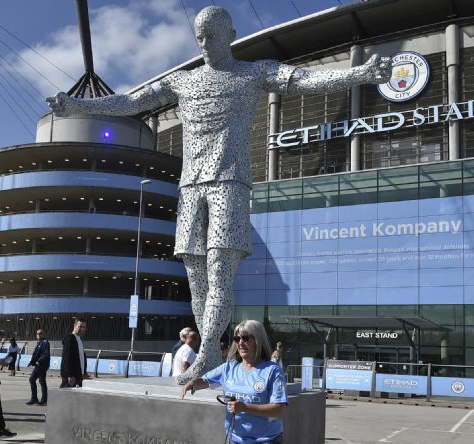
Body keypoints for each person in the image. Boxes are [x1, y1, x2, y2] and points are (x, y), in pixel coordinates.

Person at [48, 6, 392, 386]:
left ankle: (210, 346)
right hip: (191, 186)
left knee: (219, 269)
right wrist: (79, 105)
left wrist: (358, 74)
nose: (205, 43)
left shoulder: (253, 72)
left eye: (211, 34)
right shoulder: (183, 81)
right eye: (199, 36)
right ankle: (209, 348)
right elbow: (132, 101)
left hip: (229, 182)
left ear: (229, 34)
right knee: (196, 273)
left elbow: (303, 80)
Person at [60, 319, 89, 388]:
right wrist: (70, 375)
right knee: (65, 397)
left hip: (78, 376)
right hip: (72, 377)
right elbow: (66, 358)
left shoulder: (79, 339)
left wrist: (84, 372)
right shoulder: (70, 338)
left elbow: (81, 357)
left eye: (84, 327)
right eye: (80, 326)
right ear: (74, 326)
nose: (82, 329)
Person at [27, 329, 50, 405]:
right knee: (42, 381)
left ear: (43, 334)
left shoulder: (45, 342)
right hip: (40, 364)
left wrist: (39, 361)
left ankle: (34, 399)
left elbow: (45, 353)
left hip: (41, 365)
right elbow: (36, 354)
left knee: (32, 379)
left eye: (40, 333)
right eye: (37, 333)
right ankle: (44, 400)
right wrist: (31, 362)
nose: (38, 335)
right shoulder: (39, 343)